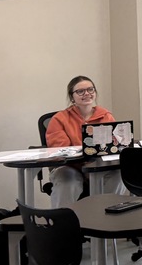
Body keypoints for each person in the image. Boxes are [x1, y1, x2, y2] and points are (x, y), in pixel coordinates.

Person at [45, 76, 119, 208]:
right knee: (67, 179)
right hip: (71, 167)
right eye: (80, 91)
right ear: (72, 97)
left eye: (90, 89)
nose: (87, 94)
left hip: (100, 166)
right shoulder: (59, 119)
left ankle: (107, 217)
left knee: (119, 174)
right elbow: (61, 150)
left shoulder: (106, 116)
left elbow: (114, 145)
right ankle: (64, 223)